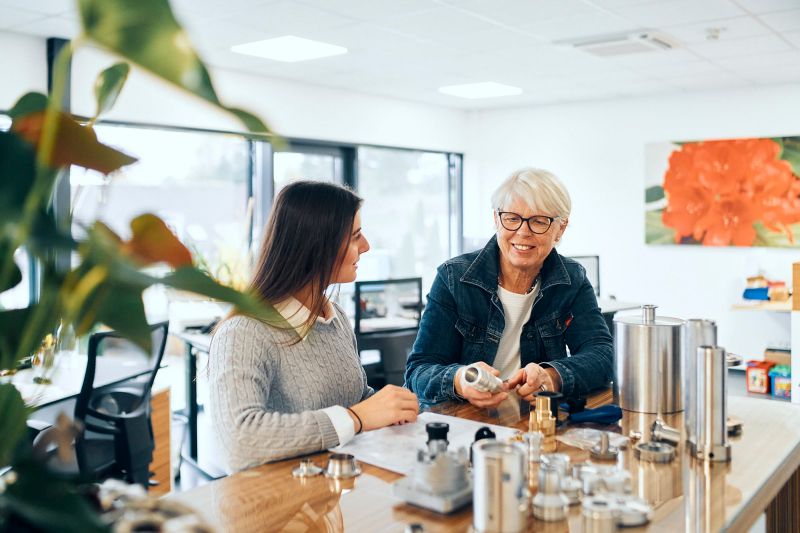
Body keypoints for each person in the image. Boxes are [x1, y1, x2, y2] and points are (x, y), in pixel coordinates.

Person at [209, 181, 419, 472]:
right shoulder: (244, 332)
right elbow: (240, 440)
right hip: (278, 495)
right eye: (355, 236)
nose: (366, 246)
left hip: (338, 485)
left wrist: (390, 407)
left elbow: (354, 399)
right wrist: (357, 417)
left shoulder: (336, 317)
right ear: (317, 246)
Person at [405, 168, 613, 408]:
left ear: (560, 229)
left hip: (531, 419)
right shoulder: (453, 278)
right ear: (496, 219)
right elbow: (419, 371)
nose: (523, 232)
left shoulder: (572, 279)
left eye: (539, 221)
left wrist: (552, 377)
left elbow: (602, 354)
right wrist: (460, 380)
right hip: (461, 417)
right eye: (512, 218)